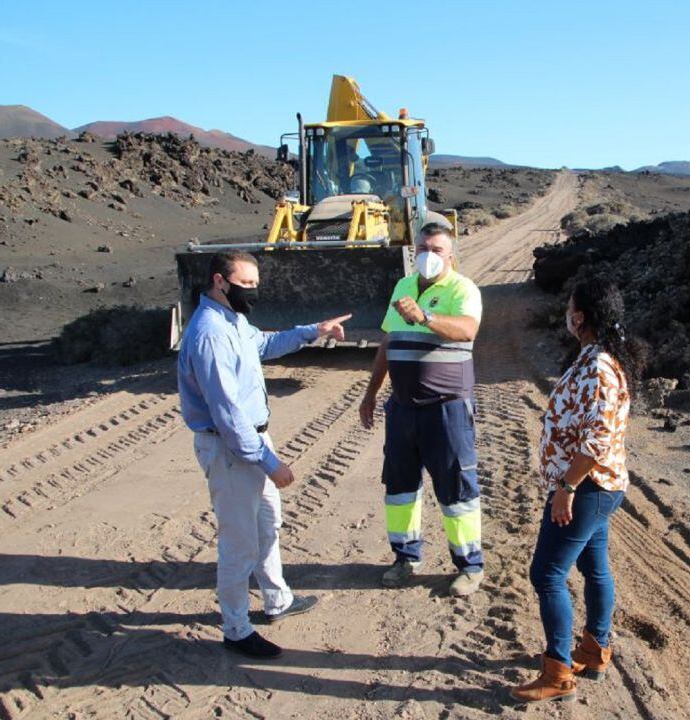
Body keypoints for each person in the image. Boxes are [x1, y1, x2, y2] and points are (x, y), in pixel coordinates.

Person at [177, 251, 351, 659]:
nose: (253, 291)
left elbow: (266, 344)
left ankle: (278, 600)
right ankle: (236, 629)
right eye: (247, 283)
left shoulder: (233, 321)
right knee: (239, 544)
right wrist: (270, 463)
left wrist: (314, 331)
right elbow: (227, 414)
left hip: (250, 443)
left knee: (268, 524)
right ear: (220, 281)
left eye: (256, 283)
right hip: (232, 449)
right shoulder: (209, 335)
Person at [511, 277, 645, 703]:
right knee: (594, 568)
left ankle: (558, 673)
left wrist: (567, 486)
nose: (566, 313)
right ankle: (594, 650)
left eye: (571, 306)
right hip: (596, 487)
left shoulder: (600, 368)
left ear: (581, 316)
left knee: (546, 573)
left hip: (586, 487)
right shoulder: (593, 358)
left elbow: (597, 439)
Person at [359, 222, 485, 597]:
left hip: (445, 410)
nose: (428, 256)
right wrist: (371, 394)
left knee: (457, 489)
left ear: (451, 256)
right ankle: (405, 558)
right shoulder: (403, 287)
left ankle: (469, 566)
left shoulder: (463, 289)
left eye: (437, 250)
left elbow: (467, 330)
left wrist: (426, 318)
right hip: (402, 408)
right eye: (422, 249)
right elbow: (388, 341)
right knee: (399, 488)